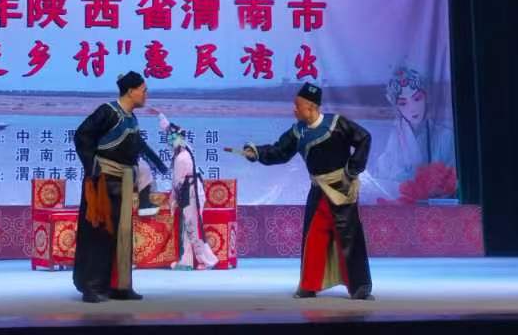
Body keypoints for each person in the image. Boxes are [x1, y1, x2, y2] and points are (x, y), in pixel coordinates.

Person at [243, 83, 374, 300]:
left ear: (311, 107)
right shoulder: (298, 131)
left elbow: (364, 138)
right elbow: (279, 151)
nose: (294, 109)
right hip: (318, 190)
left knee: (349, 238)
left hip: (341, 188)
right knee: (314, 238)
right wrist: (256, 152)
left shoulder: (337, 123)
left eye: (298, 105)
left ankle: (360, 287)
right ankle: (308, 285)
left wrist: (353, 168)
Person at [72, 71, 166, 303]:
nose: (146, 94)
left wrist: (159, 164)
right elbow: (82, 136)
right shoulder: (108, 111)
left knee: (122, 235)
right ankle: (92, 286)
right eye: (143, 90)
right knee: (99, 233)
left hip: (123, 182)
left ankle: (119, 285)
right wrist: (93, 167)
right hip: (103, 181)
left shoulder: (131, 118)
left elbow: (137, 145)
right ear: (131, 91)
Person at [374, 65, 456, 183]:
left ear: (426, 98)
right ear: (397, 107)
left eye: (417, 99)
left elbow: (452, 180)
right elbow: (382, 178)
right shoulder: (393, 139)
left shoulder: (446, 137)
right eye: (403, 103)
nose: (412, 109)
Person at [160, 115, 218, 270]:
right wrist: (162, 118)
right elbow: (175, 131)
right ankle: (187, 261)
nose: (169, 143)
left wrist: (172, 201)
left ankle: (207, 260)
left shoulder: (181, 158)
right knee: (188, 227)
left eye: (171, 140)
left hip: (191, 193)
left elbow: (177, 183)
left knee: (193, 227)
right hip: (191, 190)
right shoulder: (186, 149)